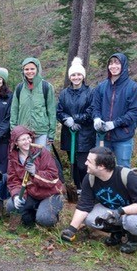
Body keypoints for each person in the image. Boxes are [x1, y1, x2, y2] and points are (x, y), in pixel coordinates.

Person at [60, 147, 137, 253]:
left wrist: (120, 212)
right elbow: (84, 205)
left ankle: (133, 241)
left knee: (132, 222)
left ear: (101, 166)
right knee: (89, 218)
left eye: (89, 161)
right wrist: (72, 229)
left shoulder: (128, 177)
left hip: (136, 211)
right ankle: (117, 232)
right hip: (111, 209)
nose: (85, 163)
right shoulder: (90, 178)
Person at [3, 126, 64, 229]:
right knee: (11, 206)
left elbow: (53, 178)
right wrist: (17, 195)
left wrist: (35, 173)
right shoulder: (13, 158)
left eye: (28, 138)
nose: (27, 141)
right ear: (16, 143)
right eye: (23, 140)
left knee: (44, 218)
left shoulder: (41, 152)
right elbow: (13, 181)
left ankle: (48, 215)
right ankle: (31, 215)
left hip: (50, 194)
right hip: (32, 193)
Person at [91, 53, 137, 168]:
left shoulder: (133, 88)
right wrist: (96, 118)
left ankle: (121, 187)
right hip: (103, 136)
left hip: (123, 137)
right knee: (101, 167)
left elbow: (133, 113)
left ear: (123, 65)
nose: (113, 66)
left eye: (117, 63)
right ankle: (104, 187)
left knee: (122, 168)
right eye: (111, 63)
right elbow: (95, 106)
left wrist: (114, 124)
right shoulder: (101, 87)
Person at [57, 57, 94, 191]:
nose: (76, 77)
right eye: (73, 75)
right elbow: (59, 111)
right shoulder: (64, 93)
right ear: (70, 77)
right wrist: (67, 120)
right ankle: (76, 188)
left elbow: (91, 111)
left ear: (83, 76)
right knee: (72, 163)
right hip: (69, 134)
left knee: (83, 165)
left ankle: (86, 189)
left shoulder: (90, 92)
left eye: (79, 75)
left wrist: (76, 119)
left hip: (85, 135)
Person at [10, 57, 56, 148]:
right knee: (25, 160)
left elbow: (51, 112)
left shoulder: (46, 87)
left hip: (42, 131)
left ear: (37, 69)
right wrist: (14, 130)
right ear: (23, 70)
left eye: (32, 69)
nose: (29, 71)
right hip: (23, 132)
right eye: (26, 69)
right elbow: (14, 110)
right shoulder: (19, 88)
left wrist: (51, 134)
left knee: (42, 159)